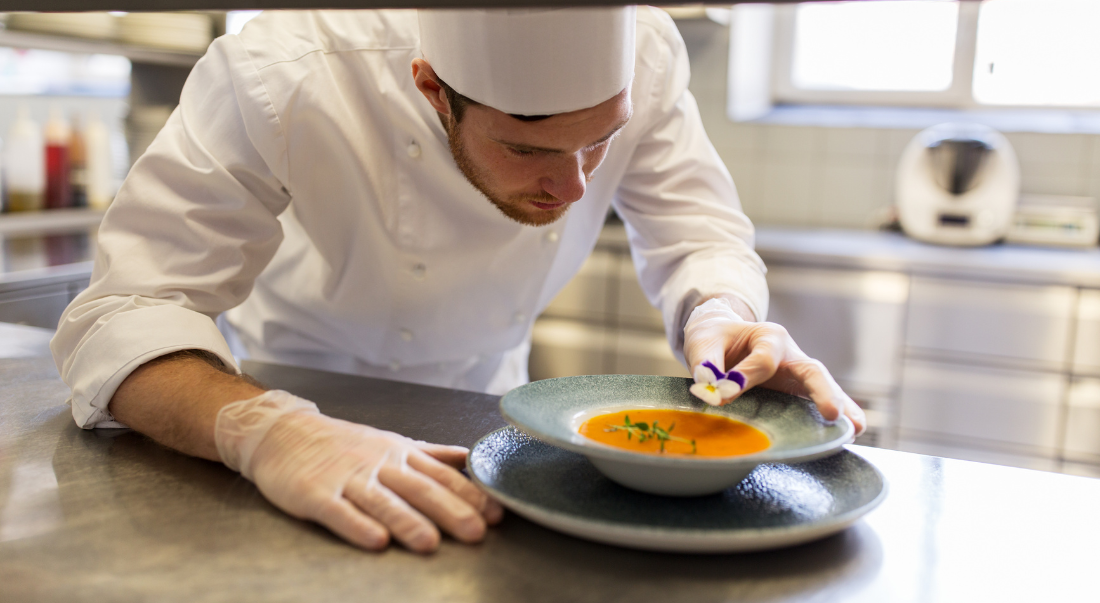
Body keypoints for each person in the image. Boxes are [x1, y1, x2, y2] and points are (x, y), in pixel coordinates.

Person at [51, 7, 864, 554]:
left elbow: (698, 233)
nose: (577, 188)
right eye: (531, 150)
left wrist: (719, 312)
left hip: (492, 418)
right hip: (289, 412)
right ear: (433, 90)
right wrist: (270, 433)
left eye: (599, 144)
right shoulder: (283, 68)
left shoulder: (645, 51)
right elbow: (124, 312)